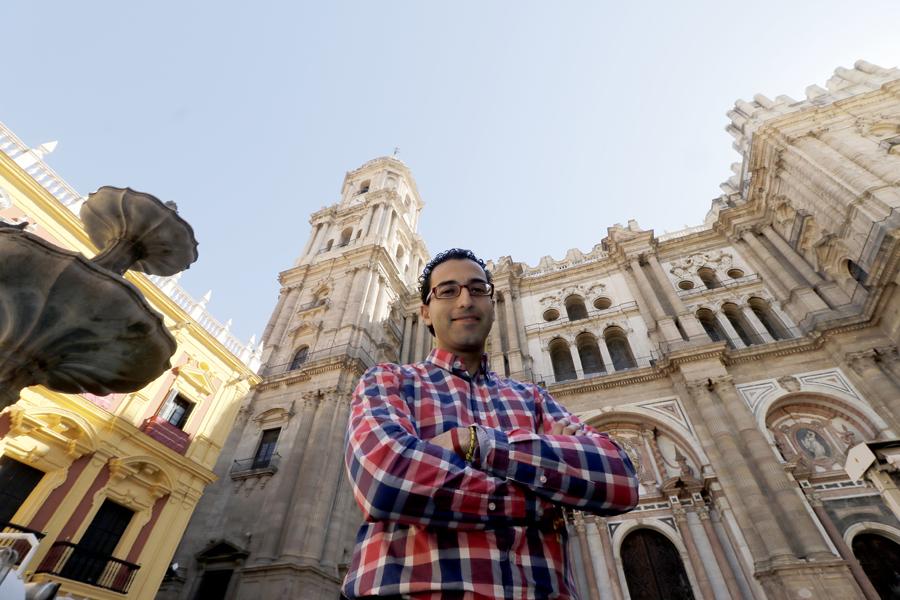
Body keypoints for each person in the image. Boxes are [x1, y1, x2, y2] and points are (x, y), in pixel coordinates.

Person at [342, 248, 639, 599]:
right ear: (424, 312)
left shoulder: (532, 398)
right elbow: (385, 480)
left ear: (493, 305)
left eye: (477, 289)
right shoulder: (388, 381)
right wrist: (543, 497)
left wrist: (472, 442)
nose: (465, 299)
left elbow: (620, 479)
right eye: (448, 290)